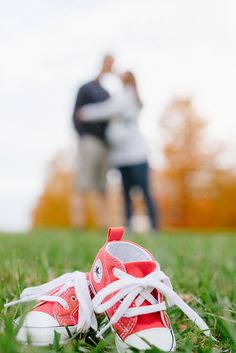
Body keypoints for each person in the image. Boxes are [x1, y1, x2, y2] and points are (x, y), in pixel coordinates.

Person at [79, 71, 158, 230]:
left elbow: (105, 110)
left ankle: (154, 225)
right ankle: (128, 225)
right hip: (122, 156)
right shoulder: (125, 96)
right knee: (127, 193)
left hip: (136, 154)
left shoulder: (127, 96)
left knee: (143, 190)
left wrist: (85, 113)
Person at [72, 55, 114, 228]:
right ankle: (78, 224)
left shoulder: (107, 94)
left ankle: (103, 226)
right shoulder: (86, 88)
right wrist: (82, 136)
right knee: (82, 184)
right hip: (89, 140)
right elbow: (75, 115)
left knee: (102, 187)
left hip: (105, 144)